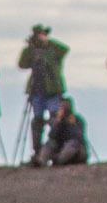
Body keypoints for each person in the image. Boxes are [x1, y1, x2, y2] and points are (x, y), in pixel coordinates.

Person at [17, 25, 70, 162]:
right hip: (37, 90)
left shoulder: (53, 49)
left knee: (54, 120)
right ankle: (38, 152)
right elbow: (22, 64)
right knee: (37, 121)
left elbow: (65, 50)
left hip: (52, 89)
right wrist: (30, 48)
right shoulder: (32, 50)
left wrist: (48, 43)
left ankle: (54, 149)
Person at [32, 97, 89, 167]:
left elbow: (79, 137)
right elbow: (52, 136)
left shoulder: (78, 120)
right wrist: (58, 123)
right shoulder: (58, 121)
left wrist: (72, 124)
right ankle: (41, 161)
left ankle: (58, 161)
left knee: (72, 144)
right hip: (60, 147)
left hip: (75, 150)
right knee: (50, 143)